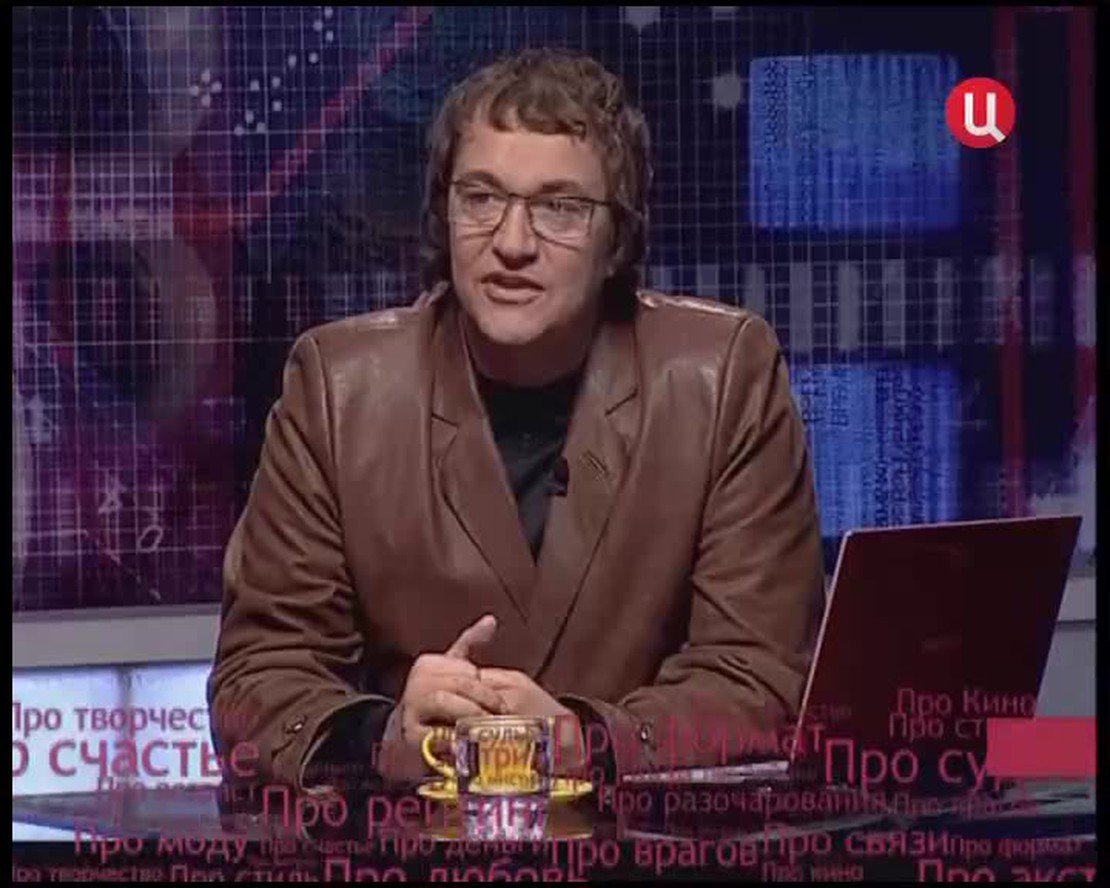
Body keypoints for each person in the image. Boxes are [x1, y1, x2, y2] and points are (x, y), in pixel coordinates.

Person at [208, 46, 825, 795]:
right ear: (443, 214)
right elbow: (257, 682)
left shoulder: (724, 378)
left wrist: (582, 741)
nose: (511, 243)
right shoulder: (337, 390)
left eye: (560, 208)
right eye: (481, 198)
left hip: (645, 841)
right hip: (410, 840)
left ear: (617, 239)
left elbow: (761, 680)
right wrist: (383, 737)